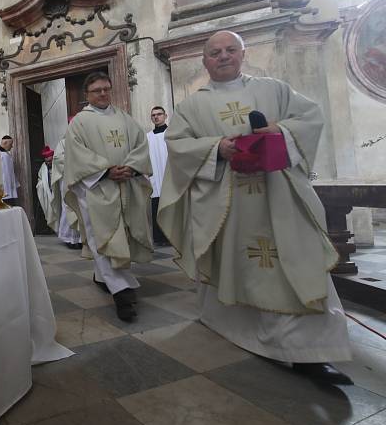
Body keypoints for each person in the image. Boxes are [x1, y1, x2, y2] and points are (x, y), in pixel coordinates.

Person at [158, 30, 353, 385]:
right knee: (239, 267)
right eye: (215, 52)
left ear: (243, 54)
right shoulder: (191, 106)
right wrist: (218, 147)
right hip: (228, 207)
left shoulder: (273, 89)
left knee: (295, 262)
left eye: (231, 49)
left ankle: (310, 351)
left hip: (279, 197)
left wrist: (277, 132)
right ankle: (241, 329)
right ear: (204, 61)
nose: (223, 56)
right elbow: (178, 146)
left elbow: (310, 118)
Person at [64, 71, 153, 321]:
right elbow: (76, 154)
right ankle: (122, 292)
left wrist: (132, 167)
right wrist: (105, 171)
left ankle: (102, 276)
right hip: (97, 189)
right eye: (97, 90)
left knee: (120, 237)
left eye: (106, 89)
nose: (103, 93)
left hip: (125, 186)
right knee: (102, 237)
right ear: (87, 95)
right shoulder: (80, 122)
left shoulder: (124, 118)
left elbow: (140, 145)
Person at [51, 133, 82, 250]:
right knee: (68, 206)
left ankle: (80, 238)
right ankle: (69, 238)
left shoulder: (84, 141)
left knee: (81, 207)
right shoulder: (63, 143)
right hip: (67, 178)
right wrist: (74, 163)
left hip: (80, 178)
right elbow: (58, 159)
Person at [147, 106, 169, 246]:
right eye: (153, 115)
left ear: (165, 116)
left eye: (159, 114)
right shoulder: (147, 136)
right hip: (155, 176)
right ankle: (159, 237)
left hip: (169, 176)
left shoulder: (172, 133)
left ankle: (173, 236)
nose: (156, 117)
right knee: (156, 206)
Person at [36, 145, 57, 230]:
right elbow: (40, 178)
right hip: (47, 192)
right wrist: (42, 185)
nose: (48, 163)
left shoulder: (57, 165)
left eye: (50, 161)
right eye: (46, 162)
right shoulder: (43, 167)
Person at [0, 135, 19, 206]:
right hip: (2, 189)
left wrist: (15, 183)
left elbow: (10, 171)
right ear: (5, 143)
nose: (12, 146)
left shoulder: (6, 154)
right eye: (10, 144)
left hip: (9, 187)